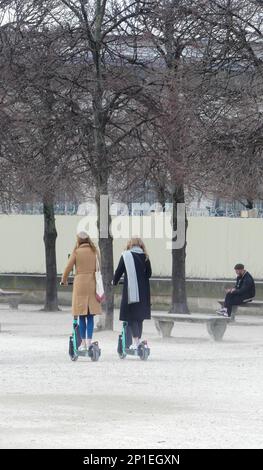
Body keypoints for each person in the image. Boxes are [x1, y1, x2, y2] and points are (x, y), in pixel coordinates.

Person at [61, 230, 102, 351]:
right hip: (92, 283)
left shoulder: (76, 252)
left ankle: (83, 344)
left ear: (78, 240)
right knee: (90, 316)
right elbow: (99, 267)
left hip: (80, 284)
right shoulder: (95, 251)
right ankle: (89, 343)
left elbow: (68, 267)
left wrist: (64, 280)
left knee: (81, 315)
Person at [113, 236, 152, 350]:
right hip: (144, 291)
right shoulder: (145, 256)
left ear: (130, 244)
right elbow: (149, 274)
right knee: (139, 317)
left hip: (131, 291)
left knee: (130, 317)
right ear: (141, 245)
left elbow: (119, 271)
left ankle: (136, 342)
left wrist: (114, 282)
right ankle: (138, 340)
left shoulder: (126, 255)